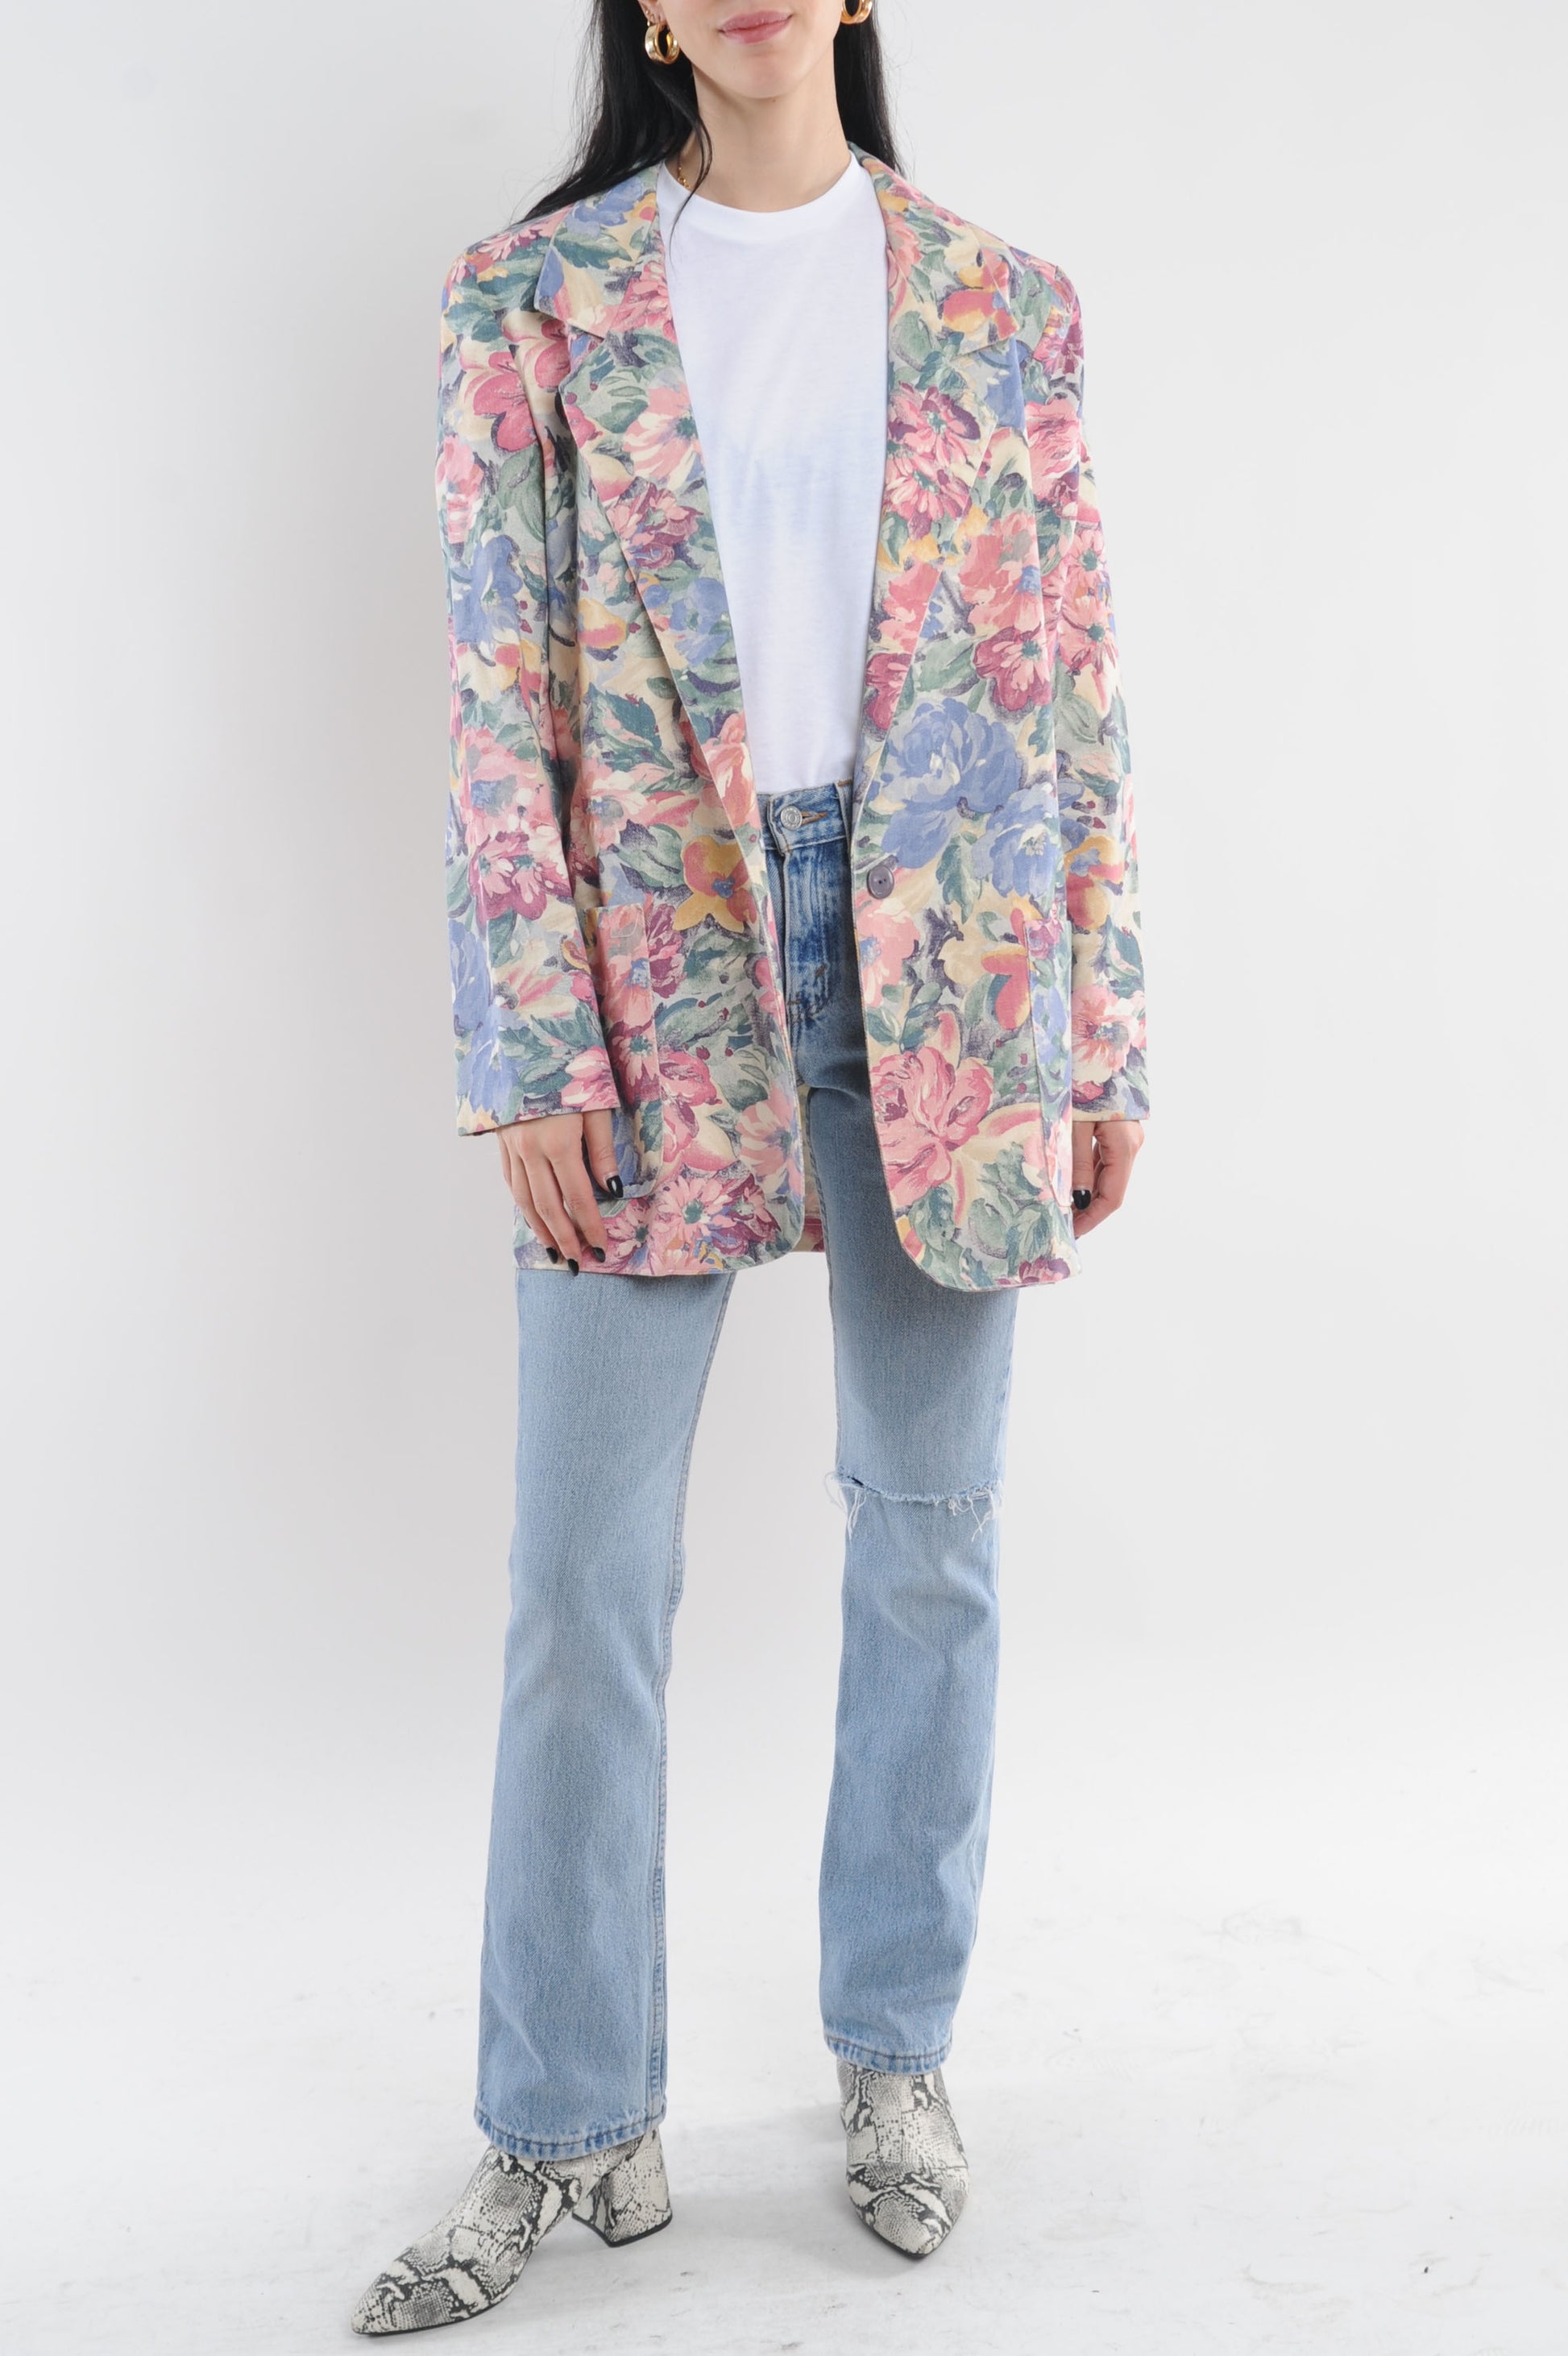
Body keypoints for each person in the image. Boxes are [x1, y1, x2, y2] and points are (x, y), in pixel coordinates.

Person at [351, 0, 1147, 2332]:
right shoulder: (530, 302)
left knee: (931, 1538)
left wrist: (1098, 1028)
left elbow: (1073, 680)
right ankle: (562, 2114)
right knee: (581, 1581)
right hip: (648, 968)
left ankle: (893, 2052)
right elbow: (499, 697)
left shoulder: (1005, 303)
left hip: (955, 956)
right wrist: (531, 1050)